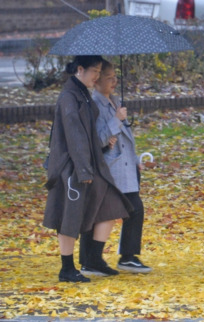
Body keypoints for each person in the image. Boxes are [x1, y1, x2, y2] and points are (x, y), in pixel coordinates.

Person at [43, 55, 132, 282]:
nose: (98, 76)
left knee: (111, 203)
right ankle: (67, 268)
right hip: (72, 166)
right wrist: (83, 170)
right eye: (95, 71)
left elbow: (88, 132)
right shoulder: (69, 97)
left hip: (90, 162)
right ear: (79, 69)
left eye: (100, 71)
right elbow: (74, 136)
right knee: (70, 215)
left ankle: (93, 259)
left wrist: (102, 145)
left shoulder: (82, 93)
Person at [80, 59, 152, 274]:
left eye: (115, 77)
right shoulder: (95, 105)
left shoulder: (114, 101)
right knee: (100, 214)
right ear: (97, 79)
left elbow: (122, 140)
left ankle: (124, 257)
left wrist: (136, 160)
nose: (114, 81)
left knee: (134, 209)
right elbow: (99, 140)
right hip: (109, 170)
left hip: (125, 167)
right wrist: (116, 119)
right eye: (109, 77)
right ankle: (92, 260)